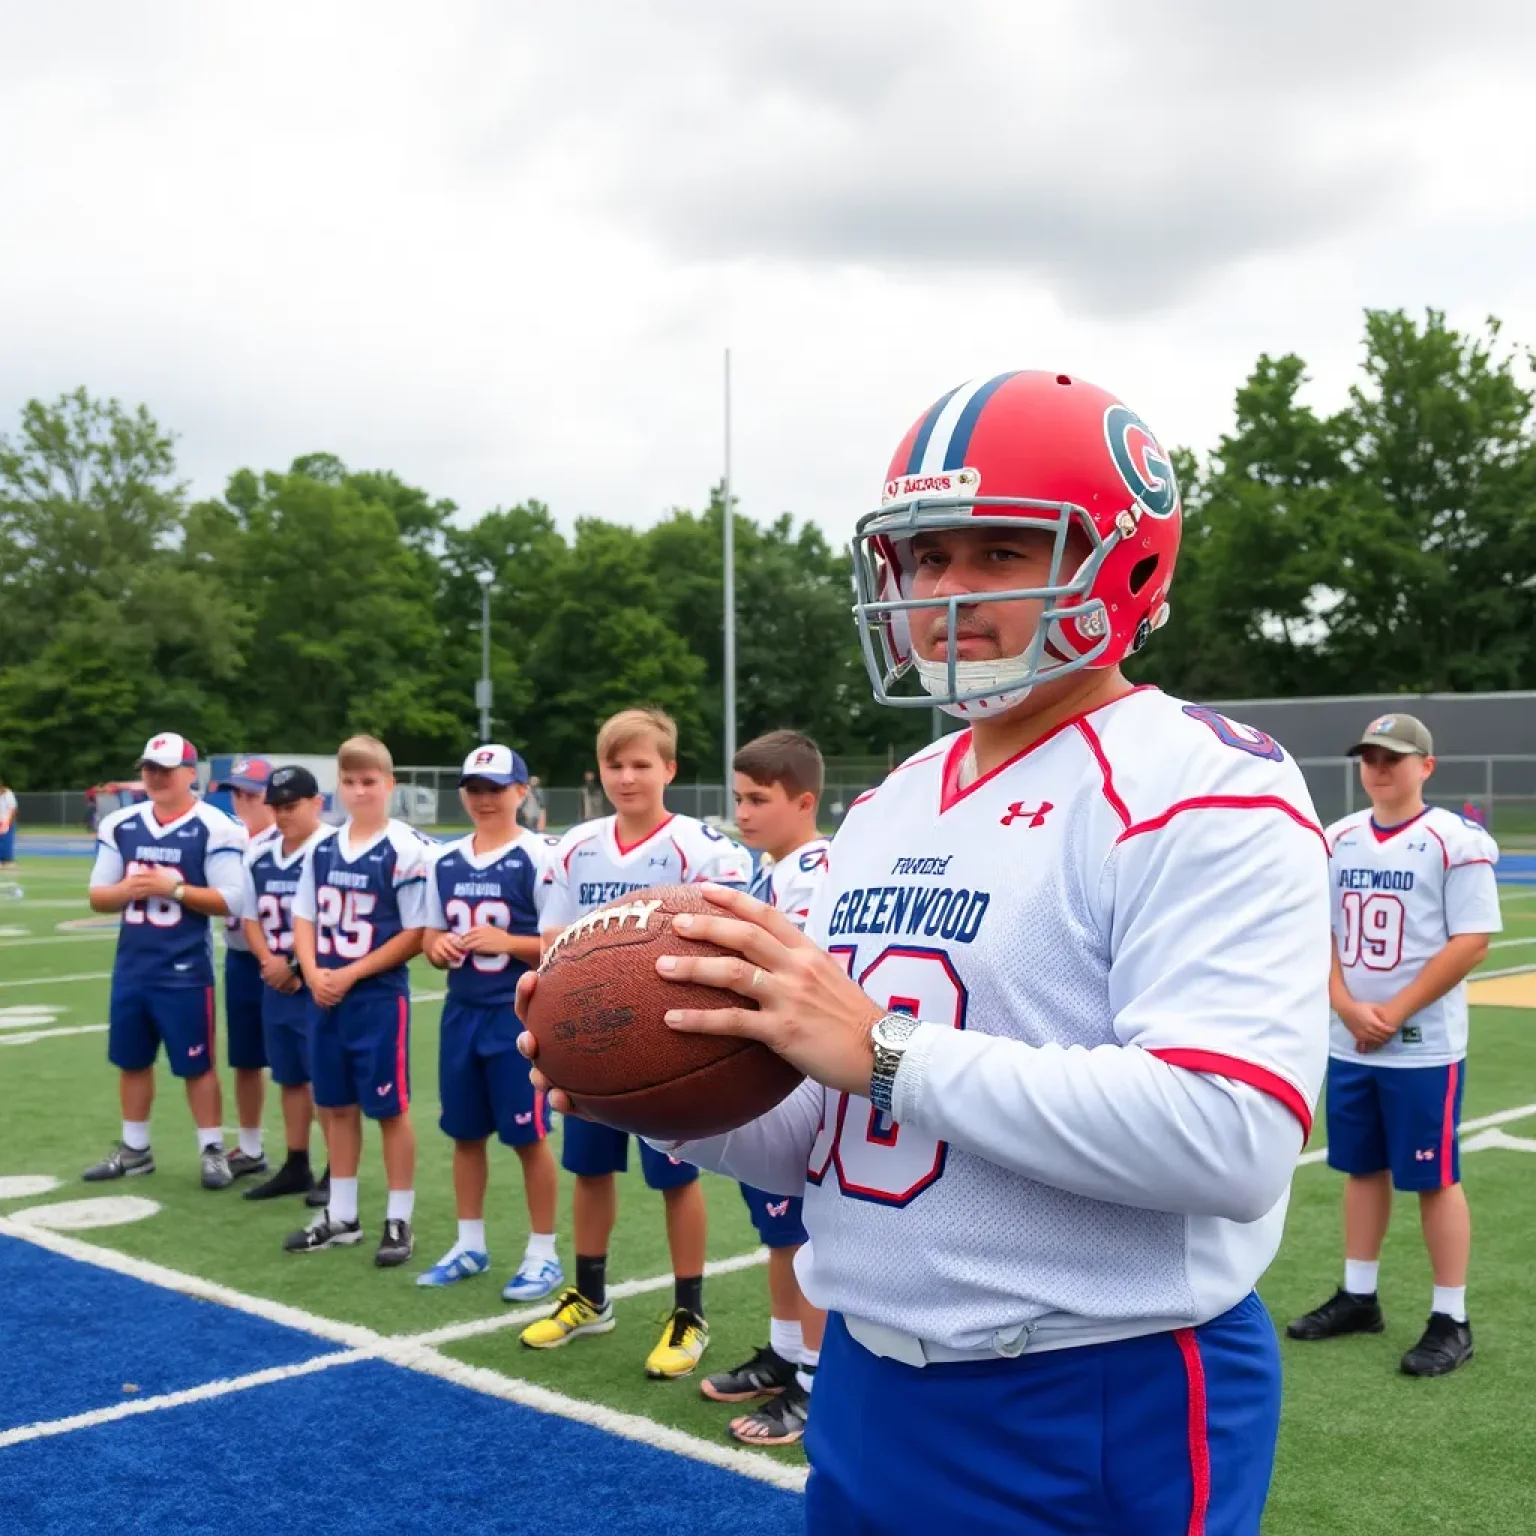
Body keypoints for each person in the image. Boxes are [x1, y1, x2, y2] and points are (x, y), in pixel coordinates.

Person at [519, 370, 1332, 1534]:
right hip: (867, 1379)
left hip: (1100, 1388)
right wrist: (647, 1076)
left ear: (1124, 562)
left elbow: (1230, 1137)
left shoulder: (1205, 784)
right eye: (923, 556)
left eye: (999, 552)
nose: (944, 592)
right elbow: (833, 1140)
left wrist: (885, 1049)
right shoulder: (899, 800)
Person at [519, 706, 753, 1380]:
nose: (627, 777)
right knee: (589, 1169)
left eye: (641, 764)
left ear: (669, 770)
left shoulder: (703, 850)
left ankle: (689, 1310)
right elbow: (552, 948)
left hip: (669, 1042)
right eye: (616, 765)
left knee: (676, 1177)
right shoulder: (574, 847)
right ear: (599, 772)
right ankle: (590, 1295)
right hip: (587, 1034)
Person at [1287, 713, 1501, 1377]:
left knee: (1433, 1176)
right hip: (1350, 1038)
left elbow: (1472, 938)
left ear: (1425, 767)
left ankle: (1451, 1315)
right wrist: (1346, 1005)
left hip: (1421, 1044)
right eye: (1371, 758)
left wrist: (1394, 1010)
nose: (1380, 769)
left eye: (1395, 758)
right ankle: (1358, 1295)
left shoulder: (1452, 841)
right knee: (1360, 1167)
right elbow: (1318, 931)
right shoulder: (1338, 838)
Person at [700, 729, 832, 1447]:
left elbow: (794, 976)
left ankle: (816, 1378)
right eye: (738, 798)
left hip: (796, 1077)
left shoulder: (812, 871)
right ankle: (787, 1349)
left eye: (758, 799)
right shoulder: (770, 869)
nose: (743, 813)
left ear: (804, 801)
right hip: (766, 1068)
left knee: (802, 1231)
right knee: (776, 1230)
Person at [418, 744, 562, 1300]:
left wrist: (510, 942)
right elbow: (430, 934)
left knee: (528, 1138)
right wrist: (437, 948)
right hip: (462, 1011)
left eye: (495, 789)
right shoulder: (445, 860)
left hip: (516, 1016)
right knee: (464, 1133)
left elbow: (559, 944)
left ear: (521, 792)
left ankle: (542, 1253)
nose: (483, 799)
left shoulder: (540, 856)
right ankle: (469, 1242)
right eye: (474, 789)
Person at [285, 735, 430, 1266]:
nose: (360, 790)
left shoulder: (406, 847)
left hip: (375, 997)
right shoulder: (322, 847)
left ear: (389, 785)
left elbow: (415, 932)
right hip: (325, 995)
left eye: (369, 781)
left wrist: (348, 974)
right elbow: (304, 916)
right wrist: (314, 970)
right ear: (338, 786)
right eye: (350, 781)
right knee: (334, 1106)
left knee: (390, 1109)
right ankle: (341, 1215)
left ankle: (398, 1217)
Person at [83, 733, 247, 1190]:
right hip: (133, 964)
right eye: (149, 768)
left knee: (197, 1065)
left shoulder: (217, 826)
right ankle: (135, 1148)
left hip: (184, 969)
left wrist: (172, 889)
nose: (154, 776)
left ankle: (212, 1148)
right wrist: (127, 892)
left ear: (190, 774)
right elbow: (98, 896)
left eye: (165, 769)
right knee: (132, 1060)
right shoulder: (121, 824)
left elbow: (232, 899)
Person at [240, 765, 330, 1202]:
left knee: (324, 1080)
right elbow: (249, 917)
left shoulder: (332, 849)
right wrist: (268, 962)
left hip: (318, 981)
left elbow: (332, 921)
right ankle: (297, 1163)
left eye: (291, 805)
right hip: (275, 981)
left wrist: (295, 966)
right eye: (274, 806)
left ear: (317, 803)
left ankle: (338, 1169)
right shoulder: (259, 852)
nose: (281, 815)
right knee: (290, 1076)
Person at [214, 756, 281, 1182]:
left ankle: (317, 1156)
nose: (242, 801)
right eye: (236, 792)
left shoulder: (292, 839)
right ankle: (251, 1146)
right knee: (245, 1059)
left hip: (286, 963)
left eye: (251, 793)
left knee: (301, 1065)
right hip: (240, 956)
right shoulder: (231, 837)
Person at [0, 777, 17, 870]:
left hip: (7, 822)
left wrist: (8, 822)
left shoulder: (8, 794)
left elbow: (13, 809)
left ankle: (7, 861)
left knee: (6, 842)